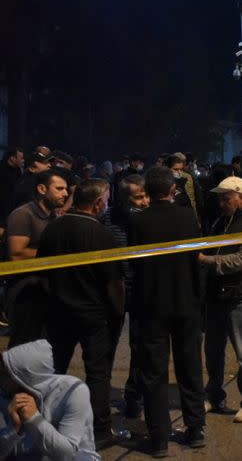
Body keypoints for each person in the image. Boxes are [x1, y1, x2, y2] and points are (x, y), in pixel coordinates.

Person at [37, 178, 126, 449]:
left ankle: (44, 423)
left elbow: (42, 270)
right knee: (98, 373)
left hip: (58, 312)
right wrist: (118, 311)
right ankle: (101, 429)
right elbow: (113, 282)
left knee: (54, 370)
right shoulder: (102, 235)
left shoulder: (52, 229)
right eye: (106, 200)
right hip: (93, 315)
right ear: (98, 203)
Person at [129, 167, 206, 457]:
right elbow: (194, 259)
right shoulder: (187, 217)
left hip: (151, 306)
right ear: (173, 190)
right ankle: (195, 428)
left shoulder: (139, 222)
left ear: (147, 192)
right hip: (186, 302)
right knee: (190, 368)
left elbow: (135, 264)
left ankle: (159, 437)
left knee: (154, 372)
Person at [199, 176, 242, 424]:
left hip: (241, 296)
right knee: (213, 351)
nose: (221, 203)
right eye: (220, 198)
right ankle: (214, 395)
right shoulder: (221, 221)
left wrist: (206, 261)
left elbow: (241, 261)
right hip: (216, 294)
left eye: (226, 198)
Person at [0, 340, 100, 460]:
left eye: (5, 375)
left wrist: (34, 419)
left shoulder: (73, 391)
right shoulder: (4, 395)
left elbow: (66, 455)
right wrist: (14, 428)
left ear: (22, 378)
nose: (1, 380)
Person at [5, 169, 69, 347]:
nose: (65, 193)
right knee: (23, 345)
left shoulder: (54, 216)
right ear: (42, 189)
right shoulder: (23, 215)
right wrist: (55, 251)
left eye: (66, 189)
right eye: (59, 188)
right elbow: (16, 254)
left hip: (46, 290)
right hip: (25, 292)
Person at [109, 174, 149, 419]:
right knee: (106, 345)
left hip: (140, 289)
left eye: (145, 196)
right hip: (113, 288)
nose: (144, 201)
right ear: (124, 199)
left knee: (139, 345)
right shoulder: (108, 218)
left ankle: (133, 397)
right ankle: (99, 398)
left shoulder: (148, 220)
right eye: (138, 197)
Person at [0, 147, 24, 236]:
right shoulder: (1, 170)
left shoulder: (17, 170)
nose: (23, 161)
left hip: (12, 206)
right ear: (12, 158)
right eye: (21, 158)